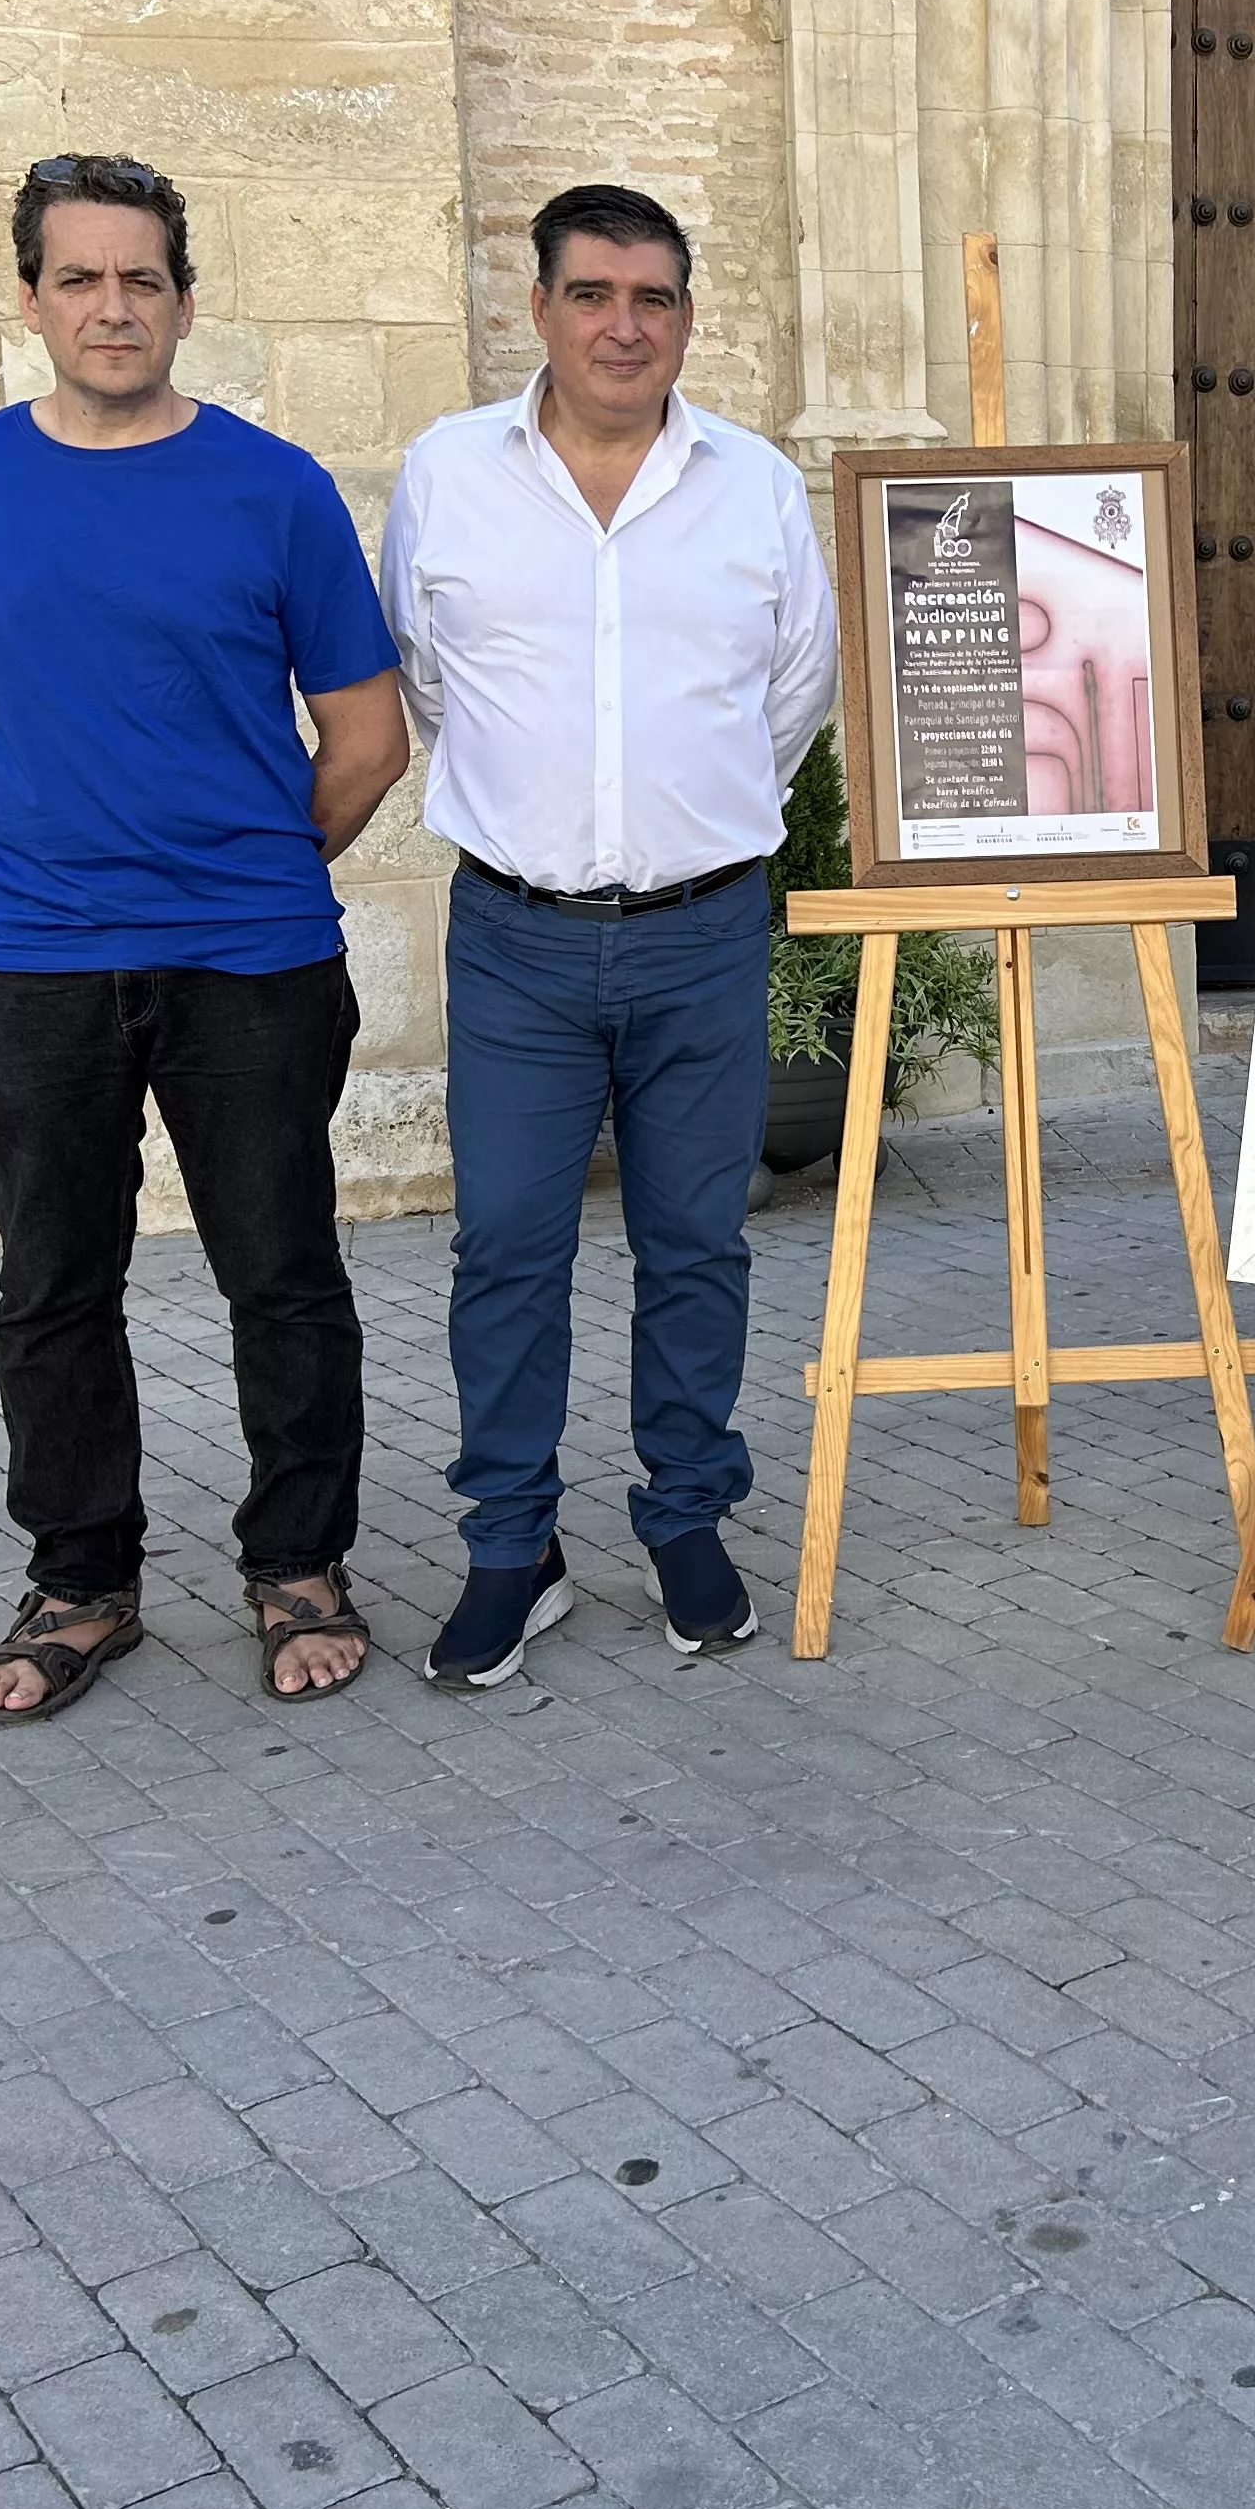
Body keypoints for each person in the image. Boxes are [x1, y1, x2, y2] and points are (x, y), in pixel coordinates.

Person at [0, 153, 411, 1721]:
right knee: (52, 1282)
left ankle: (301, 1565)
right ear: (30, 296)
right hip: (32, 955)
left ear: (186, 299)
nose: (116, 306)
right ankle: (82, 1578)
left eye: (144, 279)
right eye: (82, 278)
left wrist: (236, 859)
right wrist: (48, 836)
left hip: (251, 957)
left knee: (283, 1272)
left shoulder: (274, 487)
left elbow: (366, 733)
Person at [380, 184, 836, 1686]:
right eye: (592, 295)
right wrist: (560, 824)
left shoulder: (757, 487)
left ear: (688, 318)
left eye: (653, 298)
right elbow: (430, 680)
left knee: (697, 1244)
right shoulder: (448, 476)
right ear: (542, 310)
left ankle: (688, 1517)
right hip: (515, 936)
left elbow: (792, 698)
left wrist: (678, 828)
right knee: (506, 1246)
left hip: (702, 933)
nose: (622, 325)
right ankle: (514, 1547)